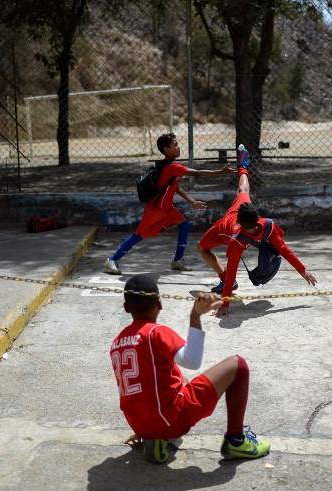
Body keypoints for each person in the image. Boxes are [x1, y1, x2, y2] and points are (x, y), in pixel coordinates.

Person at [110, 274, 271, 463]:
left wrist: (145, 428)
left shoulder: (116, 343)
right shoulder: (155, 332)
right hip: (172, 420)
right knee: (239, 365)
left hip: (141, 424)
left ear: (126, 308)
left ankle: (156, 437)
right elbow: (192, 360)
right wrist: (195, 315)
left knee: (177, 376)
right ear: (159, 304)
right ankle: (236, 441)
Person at [197, 150, 317, 317]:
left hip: (222, 229)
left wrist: (226, 304)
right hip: (233, 221)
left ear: (240, 222)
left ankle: (243, 166)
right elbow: (284, 249)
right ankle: (244, 166)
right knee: (243, 190)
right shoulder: (267, 225)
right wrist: (303, 271)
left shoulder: (236, 241)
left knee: (202, 248)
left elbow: (232, 271)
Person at [103, 133, 233, 275]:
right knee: (139, 235)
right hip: (155, 210)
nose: (178, 147)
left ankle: (177, 260)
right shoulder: (171, 167)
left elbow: (174, 186)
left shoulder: (167, 166)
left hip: (167, 209)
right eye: (175, 145)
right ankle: (112, 260)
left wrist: (192, 202)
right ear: (166, 149)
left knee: (184, 225)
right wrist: (221, 171)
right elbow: (196, 173)